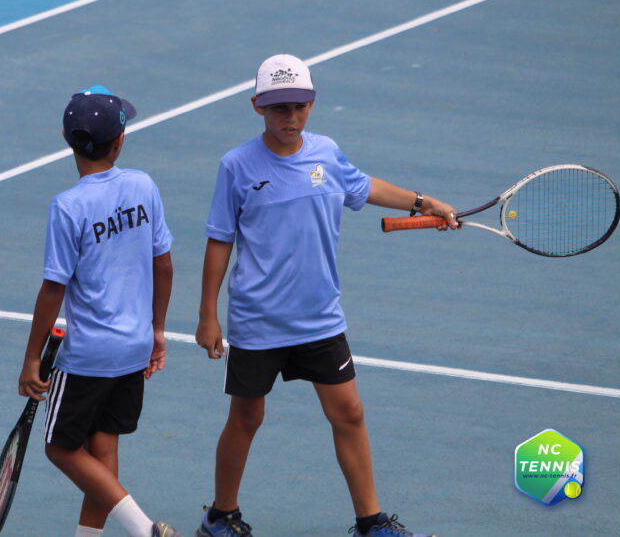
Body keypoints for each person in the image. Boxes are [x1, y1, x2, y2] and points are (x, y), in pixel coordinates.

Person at [195, 55, 456, 537]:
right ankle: (220, 516)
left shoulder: (327, 154)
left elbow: (365, 187)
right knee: (247, 416)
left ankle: (370, 523)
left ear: (312, 105)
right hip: (258, 320)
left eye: (298, 106)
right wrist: (207, 314)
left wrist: (424, 202)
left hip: (319, 318)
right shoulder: (236, 166)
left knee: (349, 412)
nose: (289, 118)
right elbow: (219, 240)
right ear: (257, 107)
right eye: (278, 109)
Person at [18, 86, 181, 537]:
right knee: (103, 445)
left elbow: (54, 288)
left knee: (60, 448)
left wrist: (32, 358)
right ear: (120, 141)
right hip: (134, 347)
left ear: (66, 138)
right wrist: (158, 330)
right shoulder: (143, 185)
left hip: (90, 355)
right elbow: (163, 264)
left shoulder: (68, 207)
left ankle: (145, 530)